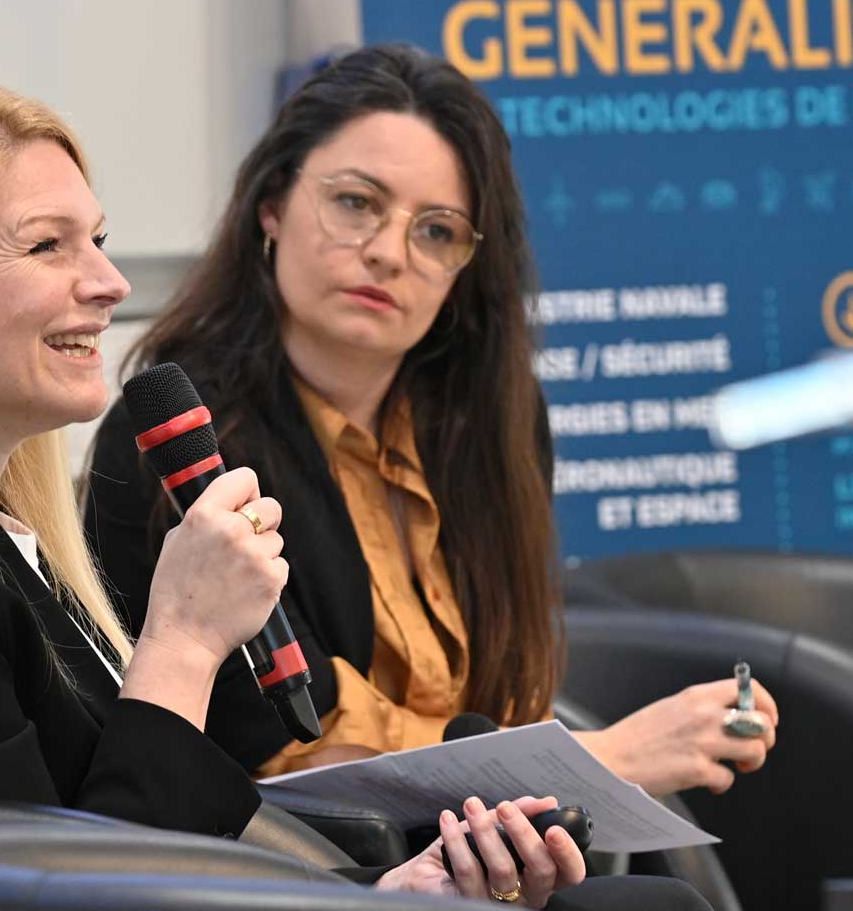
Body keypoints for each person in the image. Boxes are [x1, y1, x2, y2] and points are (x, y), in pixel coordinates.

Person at [0, 78, 623, 908]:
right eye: (47, 248)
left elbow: (140, 841)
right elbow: (79, 893)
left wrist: (400, 893)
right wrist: (186, 641)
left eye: (98, 241)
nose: (109, 283)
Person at [85, 44, 780, 799]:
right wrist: (601, 763)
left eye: (438, 231)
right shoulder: (178, 439)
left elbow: (506, 696)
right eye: (355, 203)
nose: (388, 253)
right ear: (273, 206)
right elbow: (283, 742)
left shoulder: (489, 426)